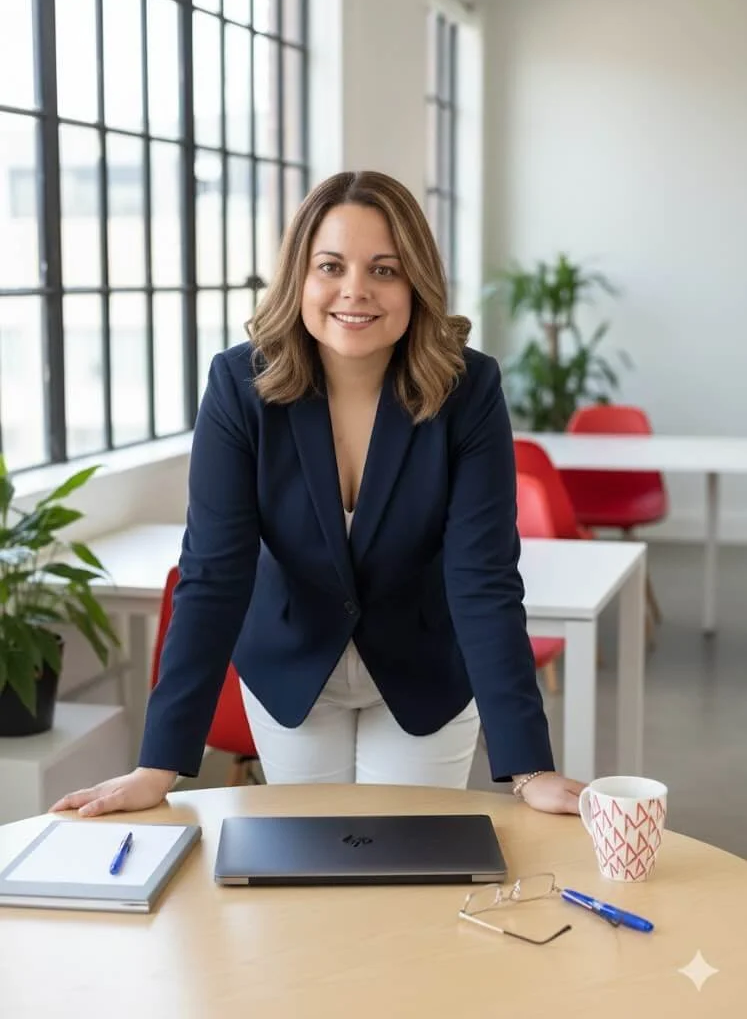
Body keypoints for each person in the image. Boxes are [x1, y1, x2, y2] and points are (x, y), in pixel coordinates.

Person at [52, 170, 584, 819]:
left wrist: (530, 768)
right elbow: (215, 573)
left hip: (422, 667)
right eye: (330, 266)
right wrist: (157, 765)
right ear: (298, 278)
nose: (354, 290)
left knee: (409, 855)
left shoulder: (467, 389)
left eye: (384, 269)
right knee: (311, 863)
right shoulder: (237, 386)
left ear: (415, 281)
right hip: (292, 663)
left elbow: (483, 576)